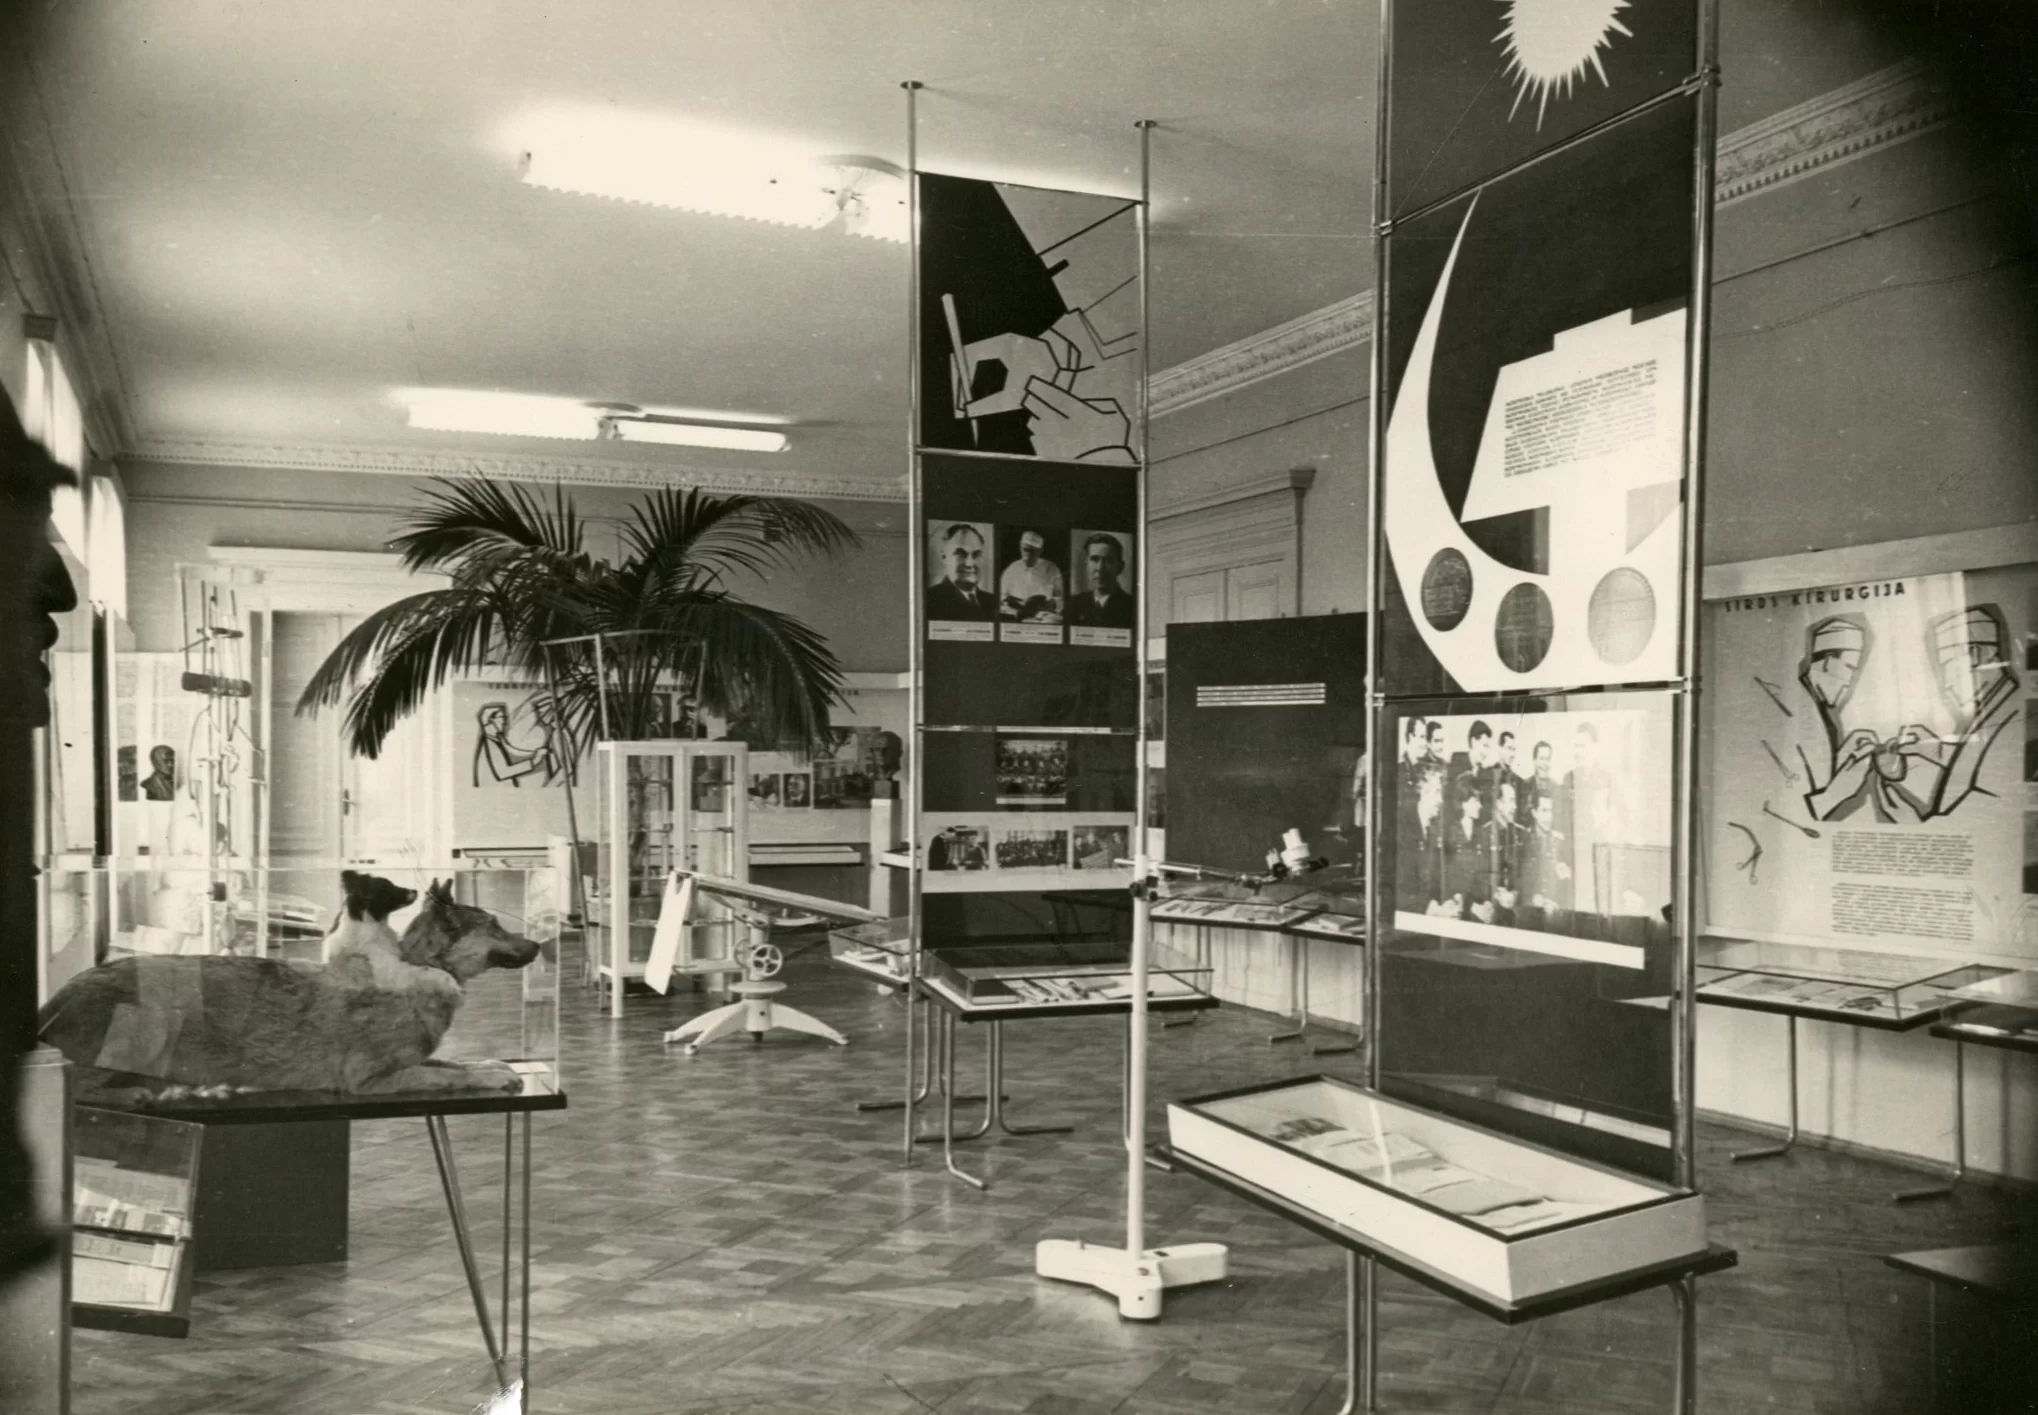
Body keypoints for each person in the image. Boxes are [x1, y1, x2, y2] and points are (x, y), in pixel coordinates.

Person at [926, 523, 995, 620]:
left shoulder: (993, 601)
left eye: (976, 555)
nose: (969, 563)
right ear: (944, 557)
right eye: (960, 554)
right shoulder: (929, 600)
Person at [1066, 533, 1133, 628]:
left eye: (1109, 560)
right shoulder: (1073, 604)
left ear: (1120, 567)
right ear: (1086, 565)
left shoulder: (1132, 607)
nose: (1100, 568)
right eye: (1094, 559)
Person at [998, 529, 1065, 622]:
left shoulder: (1051, 569)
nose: (1027, 556)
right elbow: (1001, 603)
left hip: (1044, 620)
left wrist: (1052, 604)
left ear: (1040, 551)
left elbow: (1061, 601)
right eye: (1025, 550)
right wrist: (1016, 611)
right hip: (1017, 620)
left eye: (1033, 552)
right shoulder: (1011, 570)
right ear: (1020, 547)